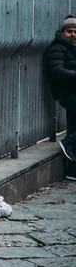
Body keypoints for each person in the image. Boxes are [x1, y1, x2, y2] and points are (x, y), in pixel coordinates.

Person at [43, 14, 76, 181]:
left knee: (73, 127)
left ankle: (72, 171)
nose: (73, 34)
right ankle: (69, 142)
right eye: (69, 31)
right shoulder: (57, 48)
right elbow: (57, 71)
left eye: (75, 31)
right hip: (67, 93)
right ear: (63, 32)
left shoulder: (72, 47)